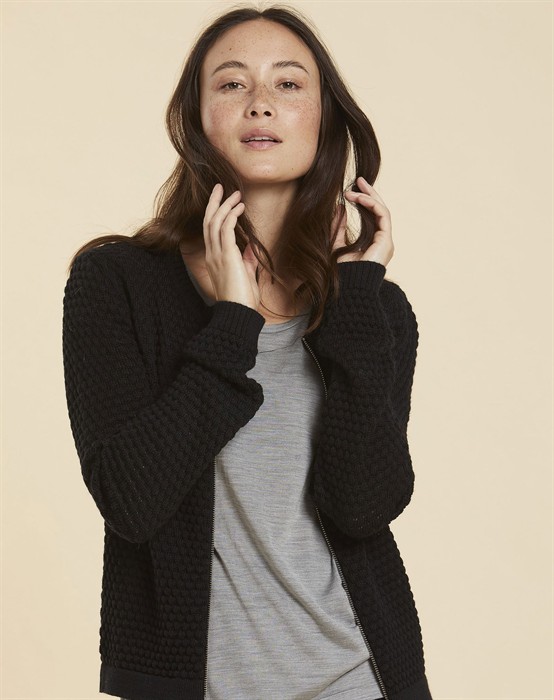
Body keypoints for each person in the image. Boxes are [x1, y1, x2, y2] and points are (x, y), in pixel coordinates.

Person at [62, 4, 433, 700]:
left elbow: (363, 506)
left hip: (359, 680)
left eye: (288, 84)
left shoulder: (373, 311)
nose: (260, 102)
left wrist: (355, 297)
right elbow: (130, 501)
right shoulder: (116, 282)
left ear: (324, 118)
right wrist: (233, 323)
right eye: (231, 84)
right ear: (196, 117)